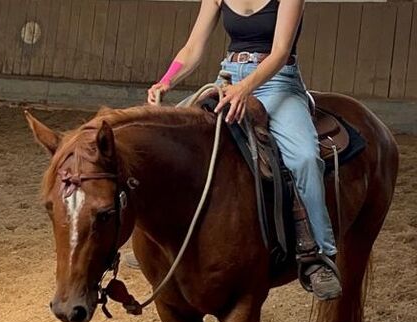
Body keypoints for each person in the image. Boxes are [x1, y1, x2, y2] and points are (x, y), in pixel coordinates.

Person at [144, 0, 342, 300]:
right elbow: (193, 47)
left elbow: (280, 53)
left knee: (304, 158)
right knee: (168, 138)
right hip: (228, 78)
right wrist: (166, 80)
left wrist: (246, 87)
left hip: (278, 84)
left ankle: (320, 254)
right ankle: (157, 236)